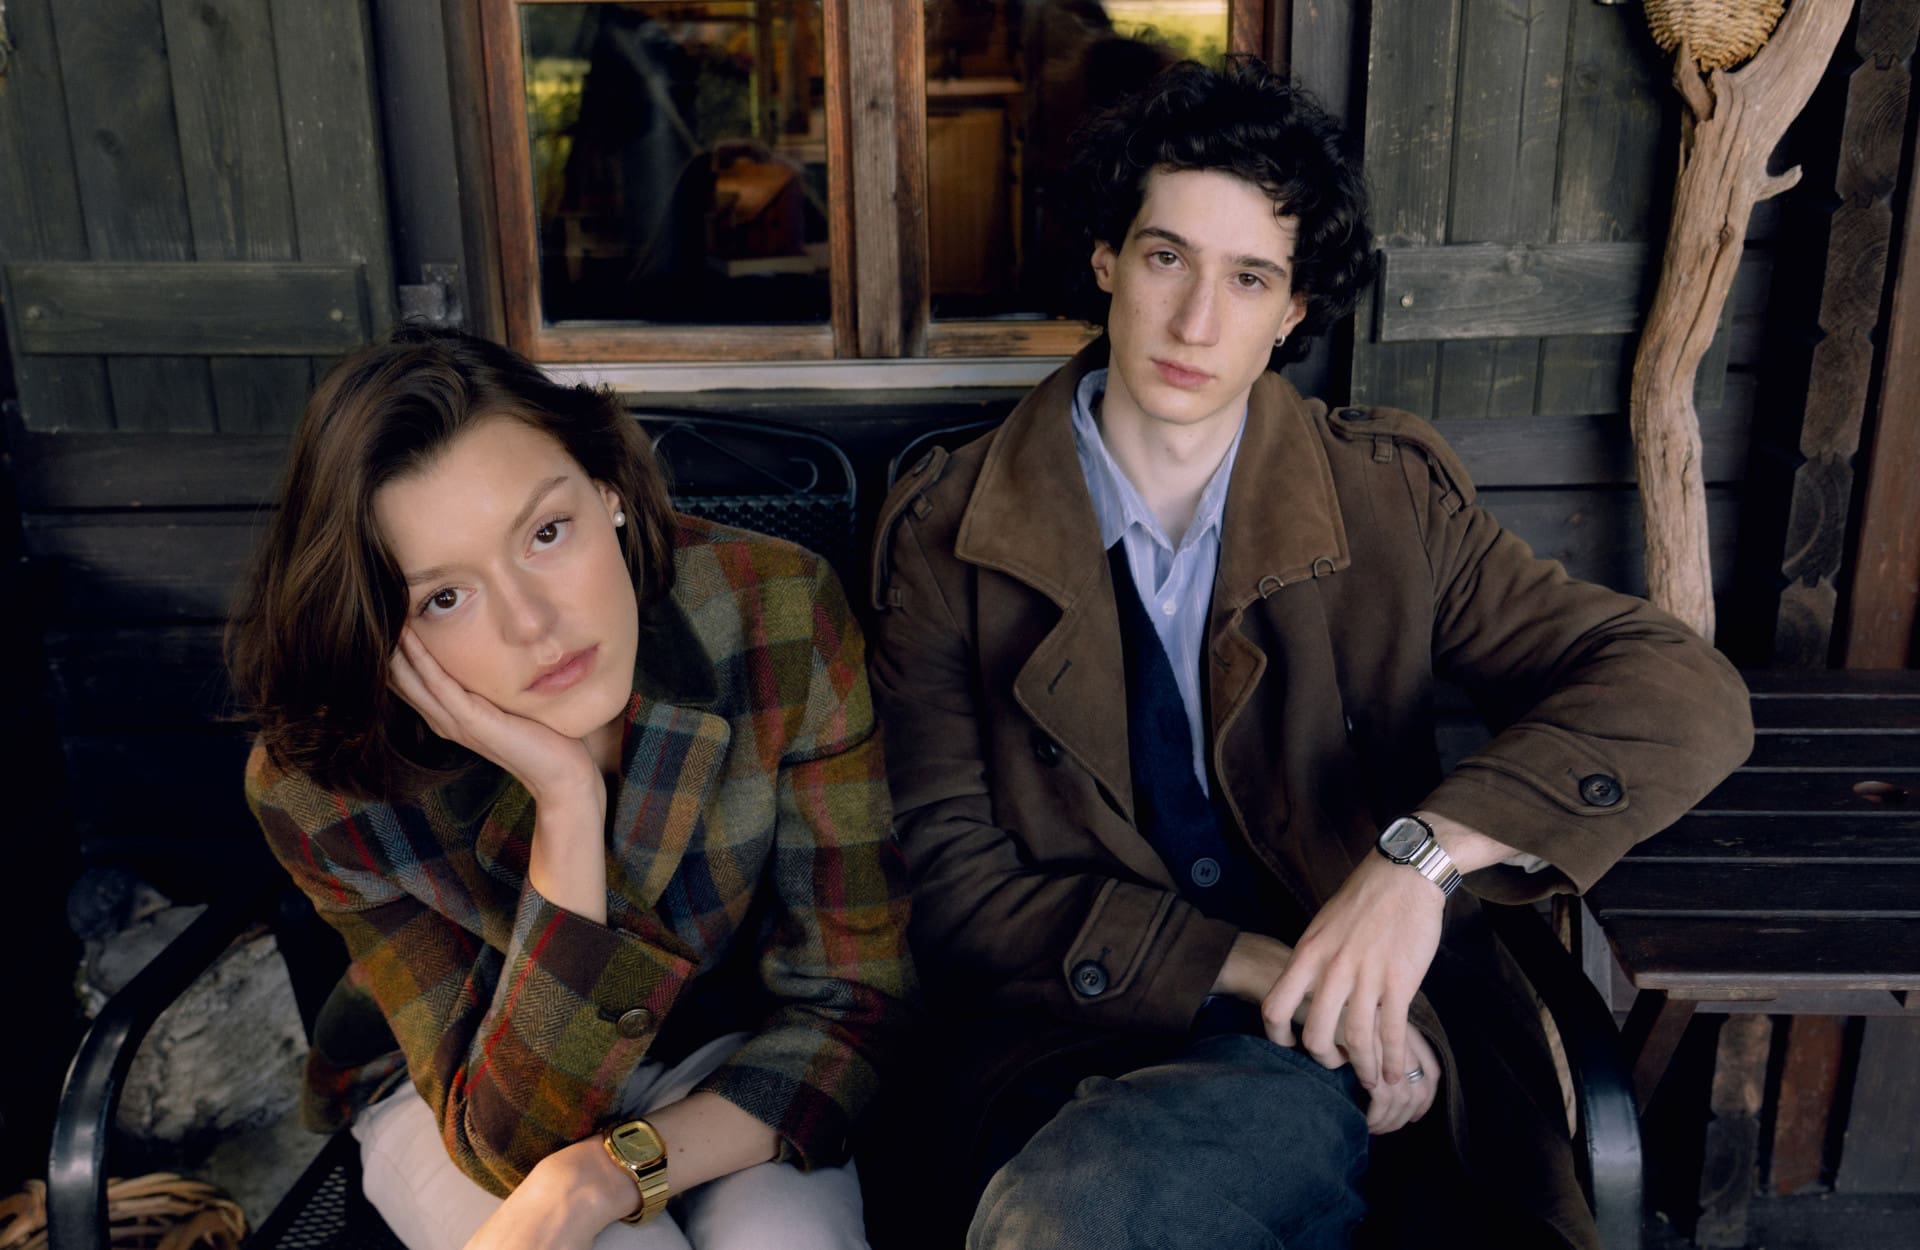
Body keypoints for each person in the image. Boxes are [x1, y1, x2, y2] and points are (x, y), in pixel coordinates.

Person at [867, 57, 1752, 1249]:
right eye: (1166, 256)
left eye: (1249, 278)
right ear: (1106, 261)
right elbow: (954, 887)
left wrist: (1418, 864)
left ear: (1292, 312)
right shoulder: (947, 529)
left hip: (1366, 1047)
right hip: (1073, 1040)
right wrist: (1269, 970)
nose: (1195, 320)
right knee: (1082, 1211)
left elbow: (1680, 691)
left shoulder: (1384, 499)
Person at [228, 325, 916, 1250]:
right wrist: (566, 804)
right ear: (384, 630)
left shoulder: (776, 611)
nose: (533, 625)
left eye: (546, 533)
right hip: (453, 1093)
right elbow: (509, 1147)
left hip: (730, 1049)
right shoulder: (319, 785)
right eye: (444, 597)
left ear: (610, 490)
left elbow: (858, 1004)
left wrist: (607, 1174)